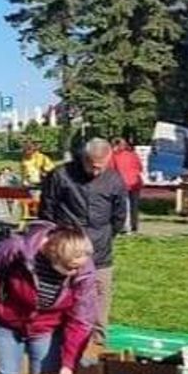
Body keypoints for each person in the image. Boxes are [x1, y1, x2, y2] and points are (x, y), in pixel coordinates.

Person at [0, 223, 97, 374]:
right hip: (6, 322)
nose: (76, 272)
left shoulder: (83, 272)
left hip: (47, 328)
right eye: (71, 268)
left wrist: (68, 365)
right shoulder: (16, 249)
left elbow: (82, 320)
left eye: (79, 267)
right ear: (54, 256)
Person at [38, 137, 126, 341]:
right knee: (60, 297)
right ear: (83, 158)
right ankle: (56, 340)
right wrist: (58, 242)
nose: (96, 172)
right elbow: (47, 212)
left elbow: (119, 215)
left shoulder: (114, 180)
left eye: (100, 168)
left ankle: (96, 344)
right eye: (92, 166)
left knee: (99, 298)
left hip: (100, 251)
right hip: (64, 249)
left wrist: (105, 236)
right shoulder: (60, 175)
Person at [110, 138, 143, 234]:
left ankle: (125, 227)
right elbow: (140, 167)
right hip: (135, 182)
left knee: (123, 206)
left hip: (122, 183)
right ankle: (134, 227)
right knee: (134, 206)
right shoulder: (133, 154)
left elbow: (110, 169)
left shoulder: (113, 156)